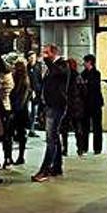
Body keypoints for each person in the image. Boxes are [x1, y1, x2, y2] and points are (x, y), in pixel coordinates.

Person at [32, 44, 69, 183]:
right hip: (49, 105)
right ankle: (57, 166)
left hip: (57, 106)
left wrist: (48, 62)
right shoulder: (50, 67)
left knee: (51, 138)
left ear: (54, 53)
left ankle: (45, 170)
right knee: (54, 136)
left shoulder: (62, 65)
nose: (44, 56)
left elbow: (58, 74)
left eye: (46, 53)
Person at [61, 58, 87, 157]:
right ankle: (79, 148)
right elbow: (84, 91)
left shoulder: (64, 77)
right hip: (76, 106)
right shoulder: (78, 76)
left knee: (65, 129)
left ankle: (65, 149)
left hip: (67, 105)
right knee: (77, 128)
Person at [81, 54, 104, 155]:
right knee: (84, 127)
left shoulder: (96, 73)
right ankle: (84, 147)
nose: (83, 64)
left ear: (90, 62)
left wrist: (86, 83)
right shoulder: (83, 74)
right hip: (85, 104)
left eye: (85, 62)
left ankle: (97, 148)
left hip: (95, 103)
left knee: (97, 127)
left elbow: (93, 87)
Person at [10, 59, 31, 165]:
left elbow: (20, 98)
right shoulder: (25, 80)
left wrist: (13, 110)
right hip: (22, 111)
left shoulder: (19, 80)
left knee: (10, 134)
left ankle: (8, 157)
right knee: (21, 134)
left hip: (16, 110)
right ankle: (20, 156)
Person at [0, 57, 15, 167]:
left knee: (0, 134)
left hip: (2, 108)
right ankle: (7, 157)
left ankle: (3, 158)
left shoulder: (2, 77)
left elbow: (0, 91)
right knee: (6, 135)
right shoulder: (9, 76)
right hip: (7, 107)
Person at [26, 51, 44, 137]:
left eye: (33, 57)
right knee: (29, 111)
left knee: (34, 111)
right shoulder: (26, 67)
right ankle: (29, 128)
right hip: (28, 92)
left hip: (37, 92)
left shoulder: (39, 66)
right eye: (30, 57)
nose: (32, 59)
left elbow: (40, 79)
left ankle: (32, 129)